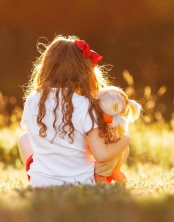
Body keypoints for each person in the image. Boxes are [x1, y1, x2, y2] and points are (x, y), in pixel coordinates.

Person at [18, 35, 131, 187]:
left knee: (24, 139)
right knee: (117, 143)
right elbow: (102, 155)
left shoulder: (33, 100)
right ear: (85, 72)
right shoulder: (85, 104)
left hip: (41, 183)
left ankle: (42, 177)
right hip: (82, 182)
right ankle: (105, 178)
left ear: (47, 68)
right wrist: (126, 139)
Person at [94, 86, 142, 184]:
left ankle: (106, 191)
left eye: (98, 110)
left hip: (109, 158)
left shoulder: (106, 127)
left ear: (105, 113)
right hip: (121, 154)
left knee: (100, 177)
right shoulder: (118, 126)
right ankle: (119, 177)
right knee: (115, 172)